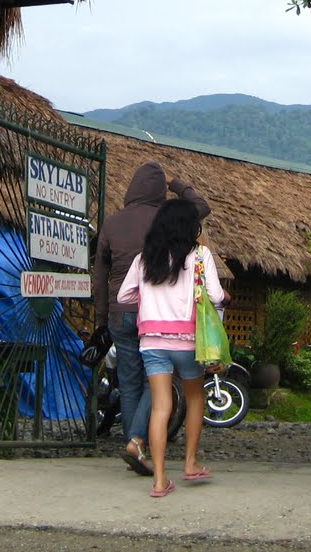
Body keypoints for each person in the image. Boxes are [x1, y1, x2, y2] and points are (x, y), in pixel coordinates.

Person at [90, 162, 210, 476]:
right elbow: (200, 207)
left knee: (129, 382)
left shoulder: (112, 223)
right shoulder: (166, 219)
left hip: (119, 312)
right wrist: (176, 183)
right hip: (154, 315)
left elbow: (99, 274)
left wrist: (101, 318)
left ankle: (136, 445)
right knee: (155, 382)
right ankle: (136, 443)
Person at [117, 197, 225, 498]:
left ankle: (160, 480)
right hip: (188, 341)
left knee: (161, 407)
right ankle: (190, 464)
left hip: (151, 340)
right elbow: (215, 296)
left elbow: (124, 296)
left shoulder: (144, 258)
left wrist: (149, 300)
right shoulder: (200, 255)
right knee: (194, 397)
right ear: (192, 226)